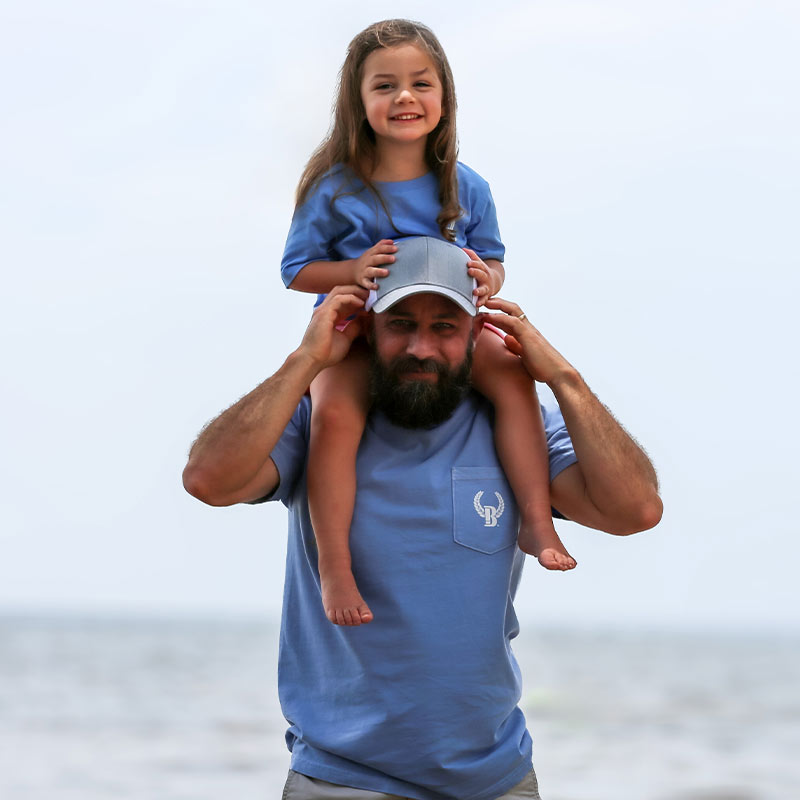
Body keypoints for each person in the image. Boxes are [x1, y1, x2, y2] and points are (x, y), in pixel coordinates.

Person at [182, 238, 663, 800]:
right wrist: (305, 361)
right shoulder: (317, 424)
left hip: (497, 780)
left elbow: (636, 510)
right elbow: (208, 480)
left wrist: (565, 379)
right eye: (401, 323)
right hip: (341, 780)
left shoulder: (521, 435)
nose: (421, 348)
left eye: (445, 328)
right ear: (367, 328)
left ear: (476, 333)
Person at [282, 18, 573, 629]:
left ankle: (536, 520)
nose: (405, 98)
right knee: (334, 416)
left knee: (516, 379)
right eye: (384, 87)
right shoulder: (333, 190)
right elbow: (297, 271)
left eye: (421, 83)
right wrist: (354, 267)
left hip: (444, 325)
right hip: (358, 327)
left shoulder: (467, 187)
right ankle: (335, 565)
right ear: (359, 104)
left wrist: (485, 279)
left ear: (444, 97)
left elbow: (491, 261)